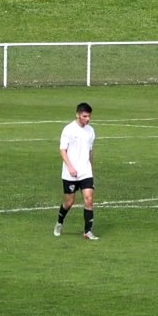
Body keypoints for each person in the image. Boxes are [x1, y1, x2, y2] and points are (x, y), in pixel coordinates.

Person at [57, 102, 99, 240]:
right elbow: (63, 150)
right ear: (78, 115)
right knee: (69, 202)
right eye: (85, 116)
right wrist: (70, 167)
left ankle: (87, 231)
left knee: (89, 200)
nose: (87, 119)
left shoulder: (91, 131)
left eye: (89, 116)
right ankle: (59, 222)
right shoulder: (68, 129)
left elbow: (90, 151)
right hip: (70, 173)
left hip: (85, 172)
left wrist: (91, 170)